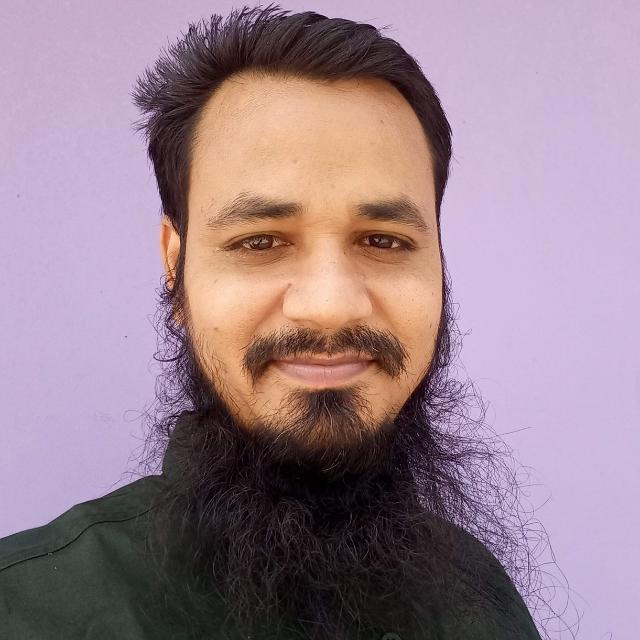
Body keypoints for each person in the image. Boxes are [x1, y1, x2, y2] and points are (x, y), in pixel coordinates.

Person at [0, 5, 548, 639]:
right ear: (176, 268)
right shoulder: (27, 612)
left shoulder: (478, 596)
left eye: (385, 240)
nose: (330, 304)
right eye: (259, 241)